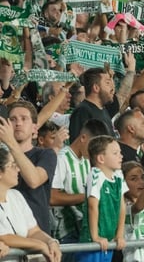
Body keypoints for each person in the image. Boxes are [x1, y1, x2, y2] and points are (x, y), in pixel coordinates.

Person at [51, 119, 108, 255]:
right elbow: (51, 197)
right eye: (93, 146)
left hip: (83, 228)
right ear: (83, 138)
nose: (95, 152)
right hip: (65, 233)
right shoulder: (62, 158)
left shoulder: (87, 160)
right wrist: (87, 197)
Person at [0, 101, 57, 234]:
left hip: (38, 234)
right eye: (13, 119)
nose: (18, 123)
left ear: (34, 128)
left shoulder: (46, 154)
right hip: (6, 234)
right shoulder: (1, 155)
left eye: (24, 119)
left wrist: (11, 143)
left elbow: (34, 180)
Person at [0, 147, 59, 262]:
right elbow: (4, 236)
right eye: (13, 165)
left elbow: (33, 231)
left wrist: (50, 241)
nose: (18, 169)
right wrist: (39, 245)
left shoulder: (16, 196)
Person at [77, 135, 127, 262]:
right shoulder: (95, 174)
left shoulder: (119, 176)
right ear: (101, 158)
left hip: (108, 240)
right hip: (92, 242)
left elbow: (122, 207)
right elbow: (92, 206)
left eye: (120, 152)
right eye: (115, 153)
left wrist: (119, 234)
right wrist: (95, 236)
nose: (121, 156)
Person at [69, 68, 119, 141]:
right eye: (107, 83)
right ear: (96, 88)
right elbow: (78, 143)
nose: (112, 87)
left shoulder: (104, 110)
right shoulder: (83, 111)